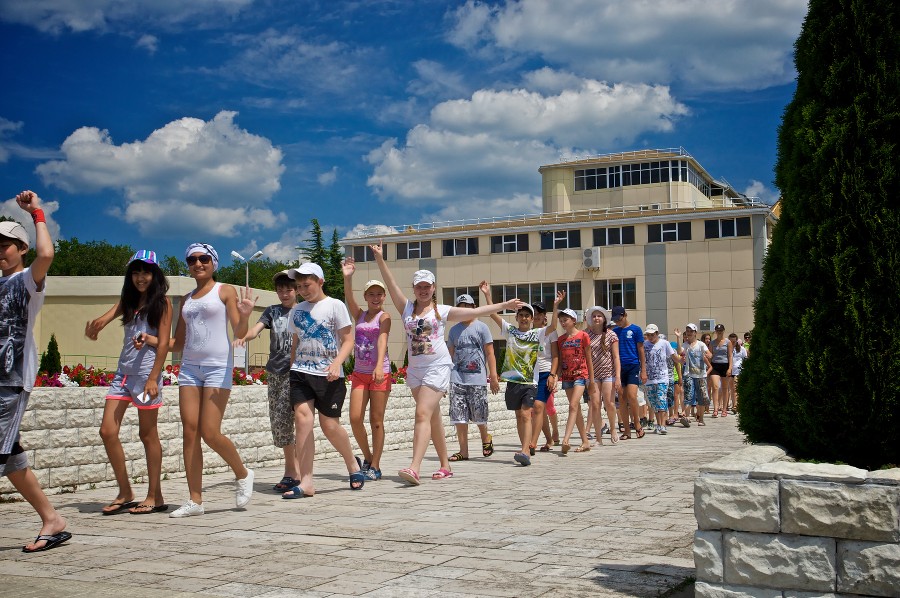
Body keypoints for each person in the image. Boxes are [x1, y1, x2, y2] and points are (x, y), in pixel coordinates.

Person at [371, 242, 523, 484]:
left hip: (438, 367)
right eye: (419, 286)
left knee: (422, 413)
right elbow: (390, 284)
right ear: (414, 288)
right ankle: (445, 465)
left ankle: (414, 467)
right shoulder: (406, 308)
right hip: (416, 370)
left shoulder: (442, 311)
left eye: (427, 286)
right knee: (432, 418)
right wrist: (380, 258)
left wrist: (503, 306)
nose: (423, 290)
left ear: (433, 288)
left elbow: (476, 312)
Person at [0, 191, 69, 553]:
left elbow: (47, 255)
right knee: (11, 456)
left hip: (10, 381)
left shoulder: (27, 280)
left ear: (21, 248)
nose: (0, 251)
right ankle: (52, 520)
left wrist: (37, 213)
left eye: (6, 245)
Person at [169, 243, 258, 518]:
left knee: (209, 432)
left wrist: (245, 316)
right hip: (189, 369)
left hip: (217, 367)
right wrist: (150, 341)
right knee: (189, 432)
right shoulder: (186, 299)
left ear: (213, 263)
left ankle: (242, 473)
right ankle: (195, 500)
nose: (198, 263)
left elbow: (239, 332)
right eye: (192, 260)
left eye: (204, 259)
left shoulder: (225, 290)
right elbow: (178, 342)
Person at [86, 250, 172, 515]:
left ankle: (154, 495)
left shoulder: (163, 303)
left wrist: (153, 378)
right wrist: (95, 327)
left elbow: (164, 344)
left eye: (145, 272)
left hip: (146, 377)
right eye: (135, 272)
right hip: (122, 376)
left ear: (155, 275)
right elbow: (104, 319)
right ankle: (125, 491)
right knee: (107, 431)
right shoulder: (128, 300)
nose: (140, 277)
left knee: (147, 434)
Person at [281, 263, 365, 498]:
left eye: (306, 285)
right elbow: (296, 342)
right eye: (299, 287)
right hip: (300, 373)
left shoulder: (335, 305)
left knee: (329, 426)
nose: (302, 290)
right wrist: (292, 367)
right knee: (303, 422)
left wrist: (337, 363)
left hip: (329, 375)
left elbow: (348, 339)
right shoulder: (297, 310)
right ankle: (306, 481)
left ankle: (352, 464)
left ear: (320, 282)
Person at [234, 270, 300, 491]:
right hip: (276, 373)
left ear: (297, 290)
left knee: (298, 421)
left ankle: (298, 472)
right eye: (280, 290)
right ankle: (292, 471)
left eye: (288, 289)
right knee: (280, 423)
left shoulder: (304, 310)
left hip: (298, 373)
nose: (284, 294)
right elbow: (254, 331)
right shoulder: (272, 311)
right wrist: (243, 334)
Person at [480, 283, 554, 466]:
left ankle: (525, 451)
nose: (524, 318)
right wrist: (487, 294)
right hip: (513, 381)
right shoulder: (510, 331)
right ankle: (524, 447)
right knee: (519, 415)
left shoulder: (537, 333)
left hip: (530, 382)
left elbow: (553, 326)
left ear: (532, 319)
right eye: (521, 315)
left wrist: (556, 305)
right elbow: (492, 314)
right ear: (516, 317)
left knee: (526, 414)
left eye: (527, 316)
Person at [342, 259, 391, 481]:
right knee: (355, 418)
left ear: (384, 296)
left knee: (376, 421)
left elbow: (382, 339)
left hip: (380, 373)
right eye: (371, 294)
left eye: (379, 294)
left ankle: (376, 466)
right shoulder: (359, 315)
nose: (375, 298)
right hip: (360, 373)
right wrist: (347, 277)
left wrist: (379, 366)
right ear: (366, 297)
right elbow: (348, 298)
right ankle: (368, 458)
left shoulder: (385, 317)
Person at [446, 293, 497, 463]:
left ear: (474, 308)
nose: (464, 310)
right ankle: (463, 451)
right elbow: (449, 356)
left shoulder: (482, 327)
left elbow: (490, 353)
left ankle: (485, 438)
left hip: (477, 378)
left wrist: (493, 375)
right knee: (459, 416)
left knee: (479, 414)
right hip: (457, 378)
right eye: (461, 307)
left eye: (467, 307)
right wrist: (445, 379)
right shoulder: (453, 330)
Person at [553, 308, 594, 453]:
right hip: (567, 376)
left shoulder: (583, 336)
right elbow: (560, 360)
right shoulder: (561, 340)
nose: (563, 323)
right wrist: (556, 376)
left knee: (572, 405)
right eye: (561, 321)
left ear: (574, 320)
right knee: (576, 410)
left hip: (581, 375)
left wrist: (592, 381)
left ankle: (566, 440)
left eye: (565, 320)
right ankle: (585, 442)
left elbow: (589, 359)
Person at [528, 297, 563, 453]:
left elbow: (555, 356)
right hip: (531, 375)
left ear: (544, 316)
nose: (536, 316)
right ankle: (549, 439)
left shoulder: (551, 332)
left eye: (539, 313)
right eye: (534, 313)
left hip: (545, 373)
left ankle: (533, 443)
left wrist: (552, 375)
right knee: (538, 410)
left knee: (540, 406)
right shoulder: (527, 333)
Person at [585, 306, 620, 446]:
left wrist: (618, 377)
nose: (596, 318)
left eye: (599, 316)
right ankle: (598, 437)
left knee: (609, 403)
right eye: (594, 316)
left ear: (604, 318)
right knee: (595, 405)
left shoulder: (612, 335)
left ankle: (613, 429)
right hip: (592, 374)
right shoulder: (586, 334)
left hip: (608, 373)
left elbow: (616, 357)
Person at [611, 306, 647, 439]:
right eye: (615, 320)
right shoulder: (614, 332)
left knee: (632, 395)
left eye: (619, 319)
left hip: (633, 366)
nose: (618, 322)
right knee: (621, 398)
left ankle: (637, 423)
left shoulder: (636, 329)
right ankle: (626, 430)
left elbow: (641, 350)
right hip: (619, 368)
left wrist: (643, 369)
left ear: (625, 315)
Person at [643, 325, 682, 435]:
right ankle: (659, 424)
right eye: (648, 335)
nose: (650, 337)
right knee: (654, 403)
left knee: (661, 400)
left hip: (662, 378)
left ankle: (663, 425)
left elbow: (674, 357)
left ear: (657, 333)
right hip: (649, 379)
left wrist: (681, 360)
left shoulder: (665, 343)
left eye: (652, 334)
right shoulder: (644, 344)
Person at [675, 323, 712, 426]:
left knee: (701, 398)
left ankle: (701, 419)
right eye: (688, 331)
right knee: (688, 395)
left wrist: (708, 355)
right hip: (689, 374)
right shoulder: (685, 345)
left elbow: (709, 354)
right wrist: (678, 338)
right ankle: (686, 417)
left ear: (695, 333)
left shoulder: (701, 344)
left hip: (700, 375)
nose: (689, 333)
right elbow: (679, 351)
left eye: (691, 331)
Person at [708, 324, 733, 418]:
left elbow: (730, 355)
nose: (719, 332)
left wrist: (730, 368)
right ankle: (715, 408)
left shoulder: (728, 342)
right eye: (718, 330)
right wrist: (708, 367)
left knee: (725, 388)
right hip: (715, 366)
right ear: (715, 331)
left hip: (725, 365)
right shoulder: (712, 343)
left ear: (723, 331)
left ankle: (724, 409)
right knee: (715, 386)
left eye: (721, 330)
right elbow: (710, 355)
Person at [726, 333, 747, 413]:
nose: (732, 343)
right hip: (729, 370)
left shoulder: (741, 349)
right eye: (731, 341)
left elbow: (745, 359)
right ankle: (733, 404)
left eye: (734, 341)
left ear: (736, 341)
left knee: (735, 388)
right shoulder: (727, 349)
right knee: (731, 389)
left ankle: (736, 405)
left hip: (737, 371)